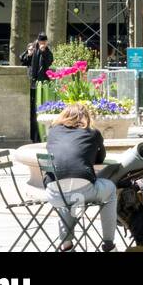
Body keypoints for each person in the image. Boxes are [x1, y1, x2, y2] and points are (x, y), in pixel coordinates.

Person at [43, 103, 118, 252]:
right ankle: (109, 245)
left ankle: (66, 245)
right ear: (86, 117)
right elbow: (101, 158)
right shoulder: (92, 132)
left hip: (55, 193)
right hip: (83, 190)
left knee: (68, 199)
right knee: (110, 189)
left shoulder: (53, 131)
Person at [20, 33, 53, 143]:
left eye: (44, 42)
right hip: (32, 83)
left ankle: (40, 136)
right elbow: (23, 60)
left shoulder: (47, 51)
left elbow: (49, 62)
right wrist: (29, 54)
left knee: (40, 108)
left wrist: (43, 52)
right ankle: (33, 136)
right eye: (41, 42)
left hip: (42, 83)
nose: (42, 44)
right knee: (32, 110)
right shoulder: (33, 48)